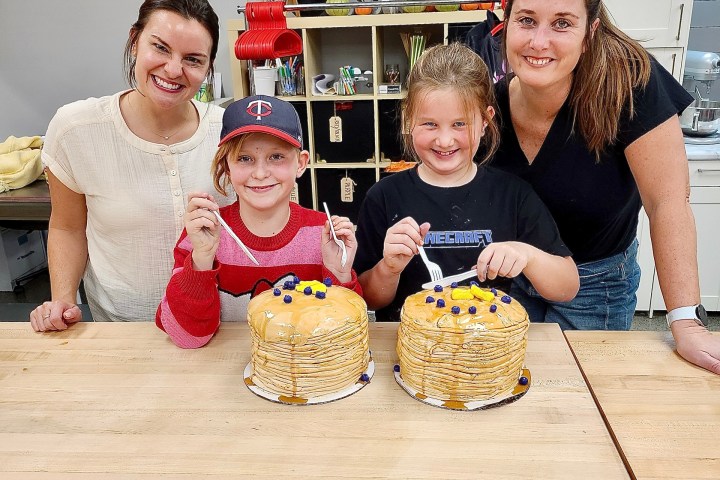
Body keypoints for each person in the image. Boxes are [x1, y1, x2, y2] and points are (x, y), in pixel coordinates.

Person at [493, 0, 720, 374]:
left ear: (590, 33)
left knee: (582, 407)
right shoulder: (490, 104)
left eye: (562, 23)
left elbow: (667, 202)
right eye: (527, 20)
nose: (539, 41)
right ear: (507, 24)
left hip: (595, 285)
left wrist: (687, 323)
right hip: (512, 279)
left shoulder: (629, 83)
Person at [30, 0, 233, 331]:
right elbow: (67, 227)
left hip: (221, 325)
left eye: (192, 59)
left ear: (208, 68)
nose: (172, 69)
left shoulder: (228, 133)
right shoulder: (76, 129)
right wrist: (62, 298)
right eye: (160, 48)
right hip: (123, 330)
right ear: (135, 41)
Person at [354, 43, 579, 322]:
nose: (445, 140)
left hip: (485, 349)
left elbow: (567, 287)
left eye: (460, 124)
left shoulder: (512, 195)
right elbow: (366, 298)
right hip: (414, 352)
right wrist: (388, 268)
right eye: (429, 124)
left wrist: (527, 255)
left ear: (485, 121)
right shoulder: (384, 196)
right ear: (408, 119)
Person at [156, 95, 361, 348]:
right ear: (226, 167)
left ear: (301, 163)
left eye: (276, 157)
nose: (261, 173)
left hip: (301, 376)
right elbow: (186, 338)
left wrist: (338, 273)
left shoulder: (324, 234)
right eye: (244, 158)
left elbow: (346, 337)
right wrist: (201, 259)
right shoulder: (202, 234)